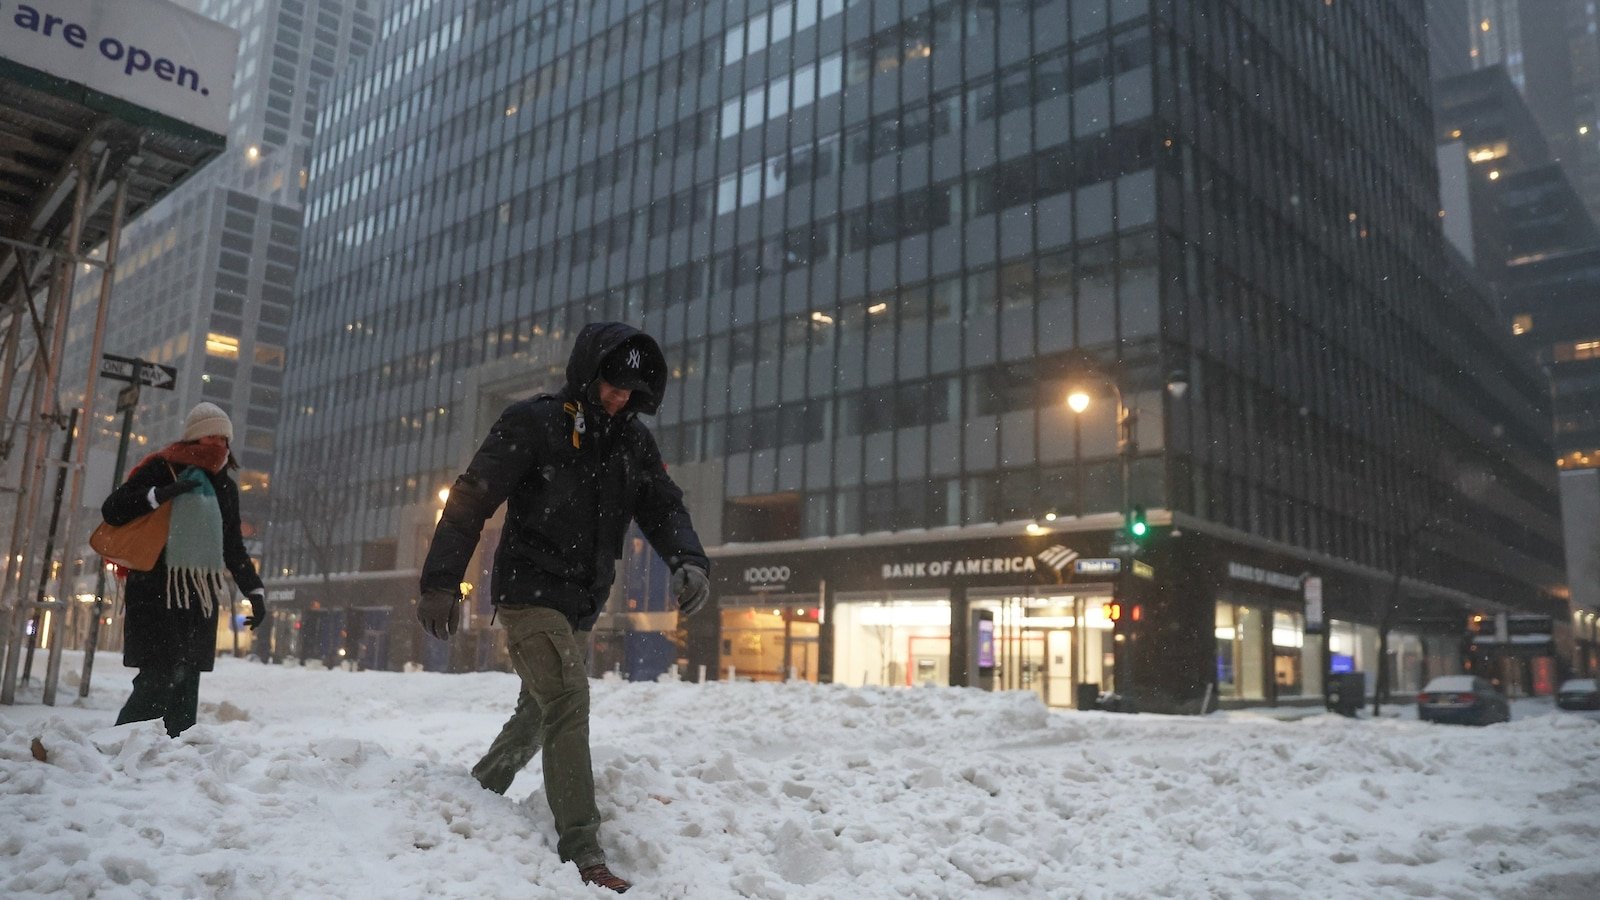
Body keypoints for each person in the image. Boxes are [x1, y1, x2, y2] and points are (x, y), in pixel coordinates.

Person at [418, 321, 710, 894]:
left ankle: (478, 794)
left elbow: (663, 505)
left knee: (540, 710)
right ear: (588, 373)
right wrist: (441, 582)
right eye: (611, 384)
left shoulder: (632, 442)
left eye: (632, 390)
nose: (620, 397)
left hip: (582, 600)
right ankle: (583, 850)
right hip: (530, 593)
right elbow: (473, 496)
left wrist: (688, 559)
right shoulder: (536, 422)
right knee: (570, 701)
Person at [101, 402, 267, 737]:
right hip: (153, 591)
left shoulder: (224, 486)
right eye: (210, 435)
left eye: (224, 438)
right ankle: (118, 746)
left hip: (198, 597)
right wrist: (159, 495)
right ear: (193, 437)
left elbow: (232, 546)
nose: (218, 444)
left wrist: (255, 592)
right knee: (157, 680)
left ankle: (172, 762)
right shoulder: (161, 468)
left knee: (186, 682)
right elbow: (113, 510)